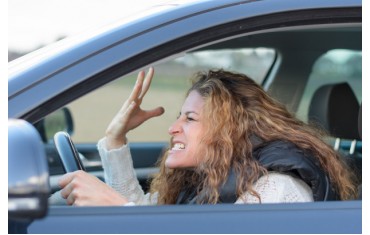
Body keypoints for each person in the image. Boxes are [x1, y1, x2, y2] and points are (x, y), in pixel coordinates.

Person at [58, 67, 358, 206]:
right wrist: (114, 140)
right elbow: (144, 216)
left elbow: (133, 217)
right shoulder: (209, 181)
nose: (172, 127)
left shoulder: (277, 191)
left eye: (190, 118)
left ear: (231, 130)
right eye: (179, 115)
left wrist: (117, 210)